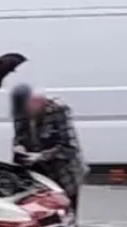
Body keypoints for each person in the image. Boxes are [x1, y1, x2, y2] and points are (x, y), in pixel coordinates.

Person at [10, 84, 87, 213]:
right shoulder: (20, 111)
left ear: (41, 102)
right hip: (35, 172)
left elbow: (70, 147)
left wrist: (41, 156)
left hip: (62, 172)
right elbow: (19, 136)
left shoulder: (58, 111)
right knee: (37, 212)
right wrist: (19, 147)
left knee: (65, 212)